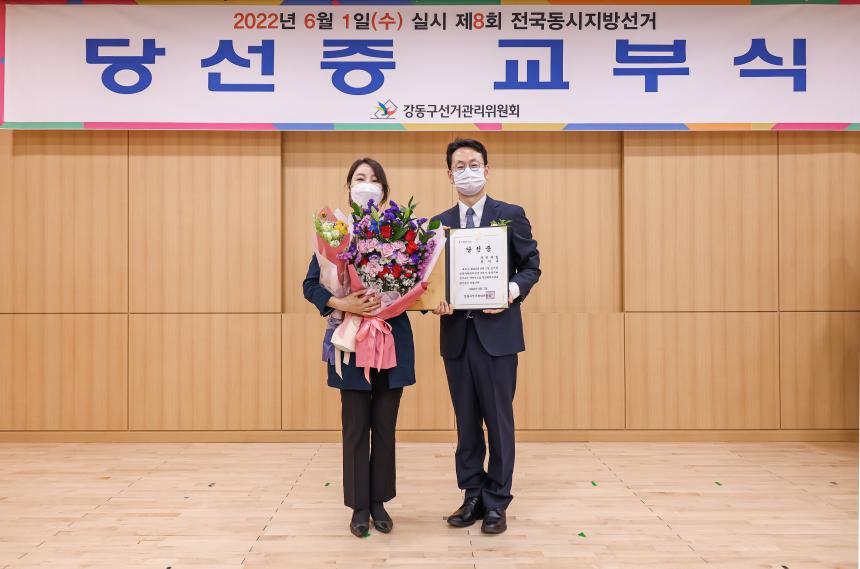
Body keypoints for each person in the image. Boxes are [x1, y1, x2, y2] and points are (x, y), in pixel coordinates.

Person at [431, 138, 541, 535]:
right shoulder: (437, 224)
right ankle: (472, 495)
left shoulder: (509, 215)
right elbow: (426, 280)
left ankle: (497, 501)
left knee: (498, 421)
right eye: (459, 166)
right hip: (457, 336)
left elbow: (531, 267)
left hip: (498, 336)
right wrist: (432, 302)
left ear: (487, 170)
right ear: (449, 175)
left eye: (474, 164)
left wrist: (508, 292)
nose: (468, 171)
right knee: (465, 423)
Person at [302, 158, 416, 538]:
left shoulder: (399, 234)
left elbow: (417, 285)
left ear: (384, 191)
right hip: (350, 341)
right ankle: (358, 506)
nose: (366, 184)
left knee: (384, 426)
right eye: (359, 179)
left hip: (390, 339)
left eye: (373, 180)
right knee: (354, 427)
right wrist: (342, 302)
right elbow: (311, 285)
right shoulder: (335, 236)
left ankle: (379, 502)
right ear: (348, 187)